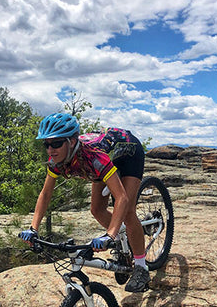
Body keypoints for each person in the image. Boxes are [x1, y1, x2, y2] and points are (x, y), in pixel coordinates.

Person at [19, 112, 150, 292]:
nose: (50, 150)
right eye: (47, 144)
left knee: (127, 212)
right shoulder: (55, 161)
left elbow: (122, 198)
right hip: (101, 161)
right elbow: (46, 193)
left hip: (129, 151)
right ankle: (123, 242)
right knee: (96, 209)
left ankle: (142, 267)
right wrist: (33, 228)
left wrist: (109, 235)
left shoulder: (94, 158)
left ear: (71, 142)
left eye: (56, 143)